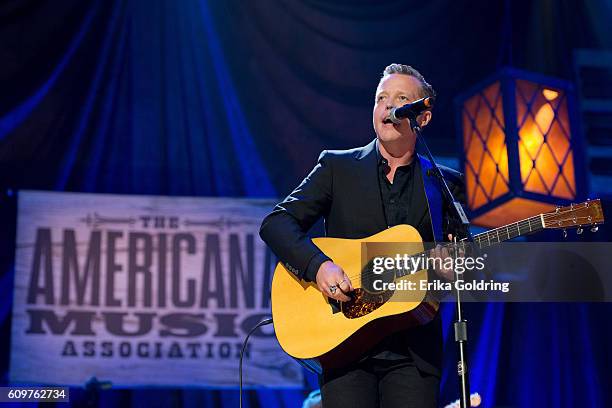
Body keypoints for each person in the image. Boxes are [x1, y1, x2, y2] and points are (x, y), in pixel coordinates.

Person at [260, 63, 464, 408]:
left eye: (401, 98)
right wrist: (319, 266)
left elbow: (465, 263)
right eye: (381, 98)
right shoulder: (337, 168)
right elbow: (276, 223)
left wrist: (452, 268)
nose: (388, 106)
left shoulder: (444, 183)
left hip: (414, 353)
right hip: (344, 347)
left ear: (423, 118)